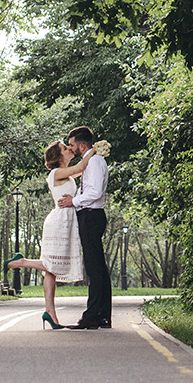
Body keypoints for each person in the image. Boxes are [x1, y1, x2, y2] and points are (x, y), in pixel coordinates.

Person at [5, 140, 95, 329]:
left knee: (50, 271)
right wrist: (96, 149)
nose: (70, 149)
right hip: (59, 222)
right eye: (65, 148)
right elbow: (81, 165)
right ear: (58, 156)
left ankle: (50, 313)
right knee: (52, 265)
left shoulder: (67, 174)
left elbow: (83, 170)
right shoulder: (56, 173)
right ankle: (20, 262)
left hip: (66, 222)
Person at [57, 125, 112, 329]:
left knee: (94, 267)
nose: (71, 148)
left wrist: (74, 201)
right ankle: (102, 316)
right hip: (89, 215)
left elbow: (95, 192)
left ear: (81, 145)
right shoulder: (90, 162)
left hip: (91, 216)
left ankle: (92, 315)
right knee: (98, 267)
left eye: (72, 145)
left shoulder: (95, 162)